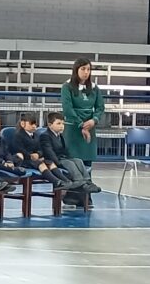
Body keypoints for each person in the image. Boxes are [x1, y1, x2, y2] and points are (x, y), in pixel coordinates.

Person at [61, 58, 105, 207]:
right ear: (76, 70)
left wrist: (94, 120)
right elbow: (67, 109)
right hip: (73, 130)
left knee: (87, 163)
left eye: (88, 69)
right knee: (74, 162)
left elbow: (100, 107)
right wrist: (81, 125)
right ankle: (71, 197)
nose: (86, 72)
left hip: (90, 128)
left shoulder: (94, 88)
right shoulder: (67, 87)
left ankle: (86, 197)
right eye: (83, 69)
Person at [10, 112, 83, 190]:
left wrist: (38, 154)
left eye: (35, 124)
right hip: (25, 160)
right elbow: (18, 149)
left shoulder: (36, 135)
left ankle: (66, 181)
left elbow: (40, 148)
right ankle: (56, 182)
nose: (34, 126)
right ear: (22, 124)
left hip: (35, 159)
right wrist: (30, 156)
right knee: (41, 164)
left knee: (50, 163)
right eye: (31, 124)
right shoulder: (18, 135)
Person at [41, 112, 102, 201]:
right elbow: (49, 152)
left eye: (63, 124)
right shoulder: (45, 136)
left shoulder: (60, 135)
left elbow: (65, 150)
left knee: (78, 161)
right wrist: (59, 163)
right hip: (53, 160)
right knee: (70, 163)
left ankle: (87, 182)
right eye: (58, 123)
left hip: (62, 157)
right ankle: (80, 183)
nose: (62, 126)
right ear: (50, 125)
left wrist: (70, 158)